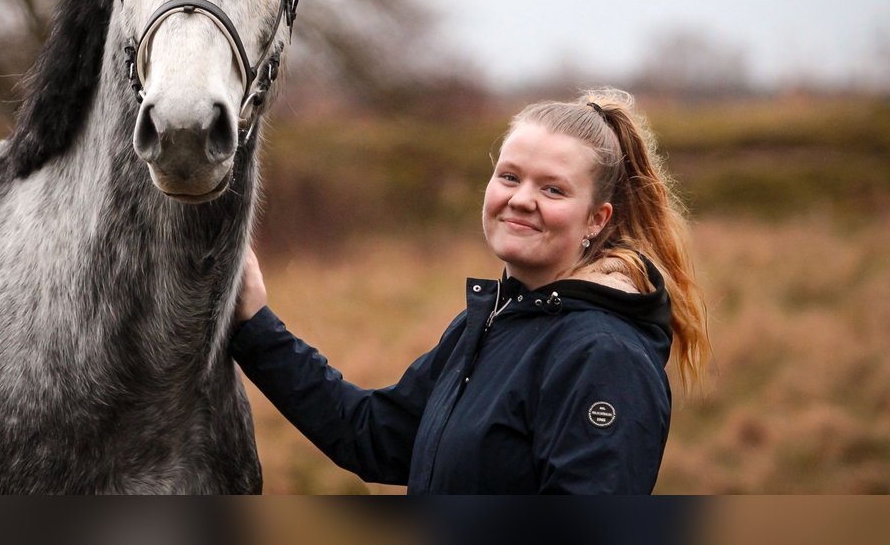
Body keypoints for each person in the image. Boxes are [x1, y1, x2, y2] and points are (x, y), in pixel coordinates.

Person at [231, 88, 709, 494]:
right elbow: (373, 437)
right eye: (510, 176)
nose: (521, 200)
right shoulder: (495, 320)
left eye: (553, 190)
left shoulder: (604, 355)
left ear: (596, 219)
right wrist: (255, 325)